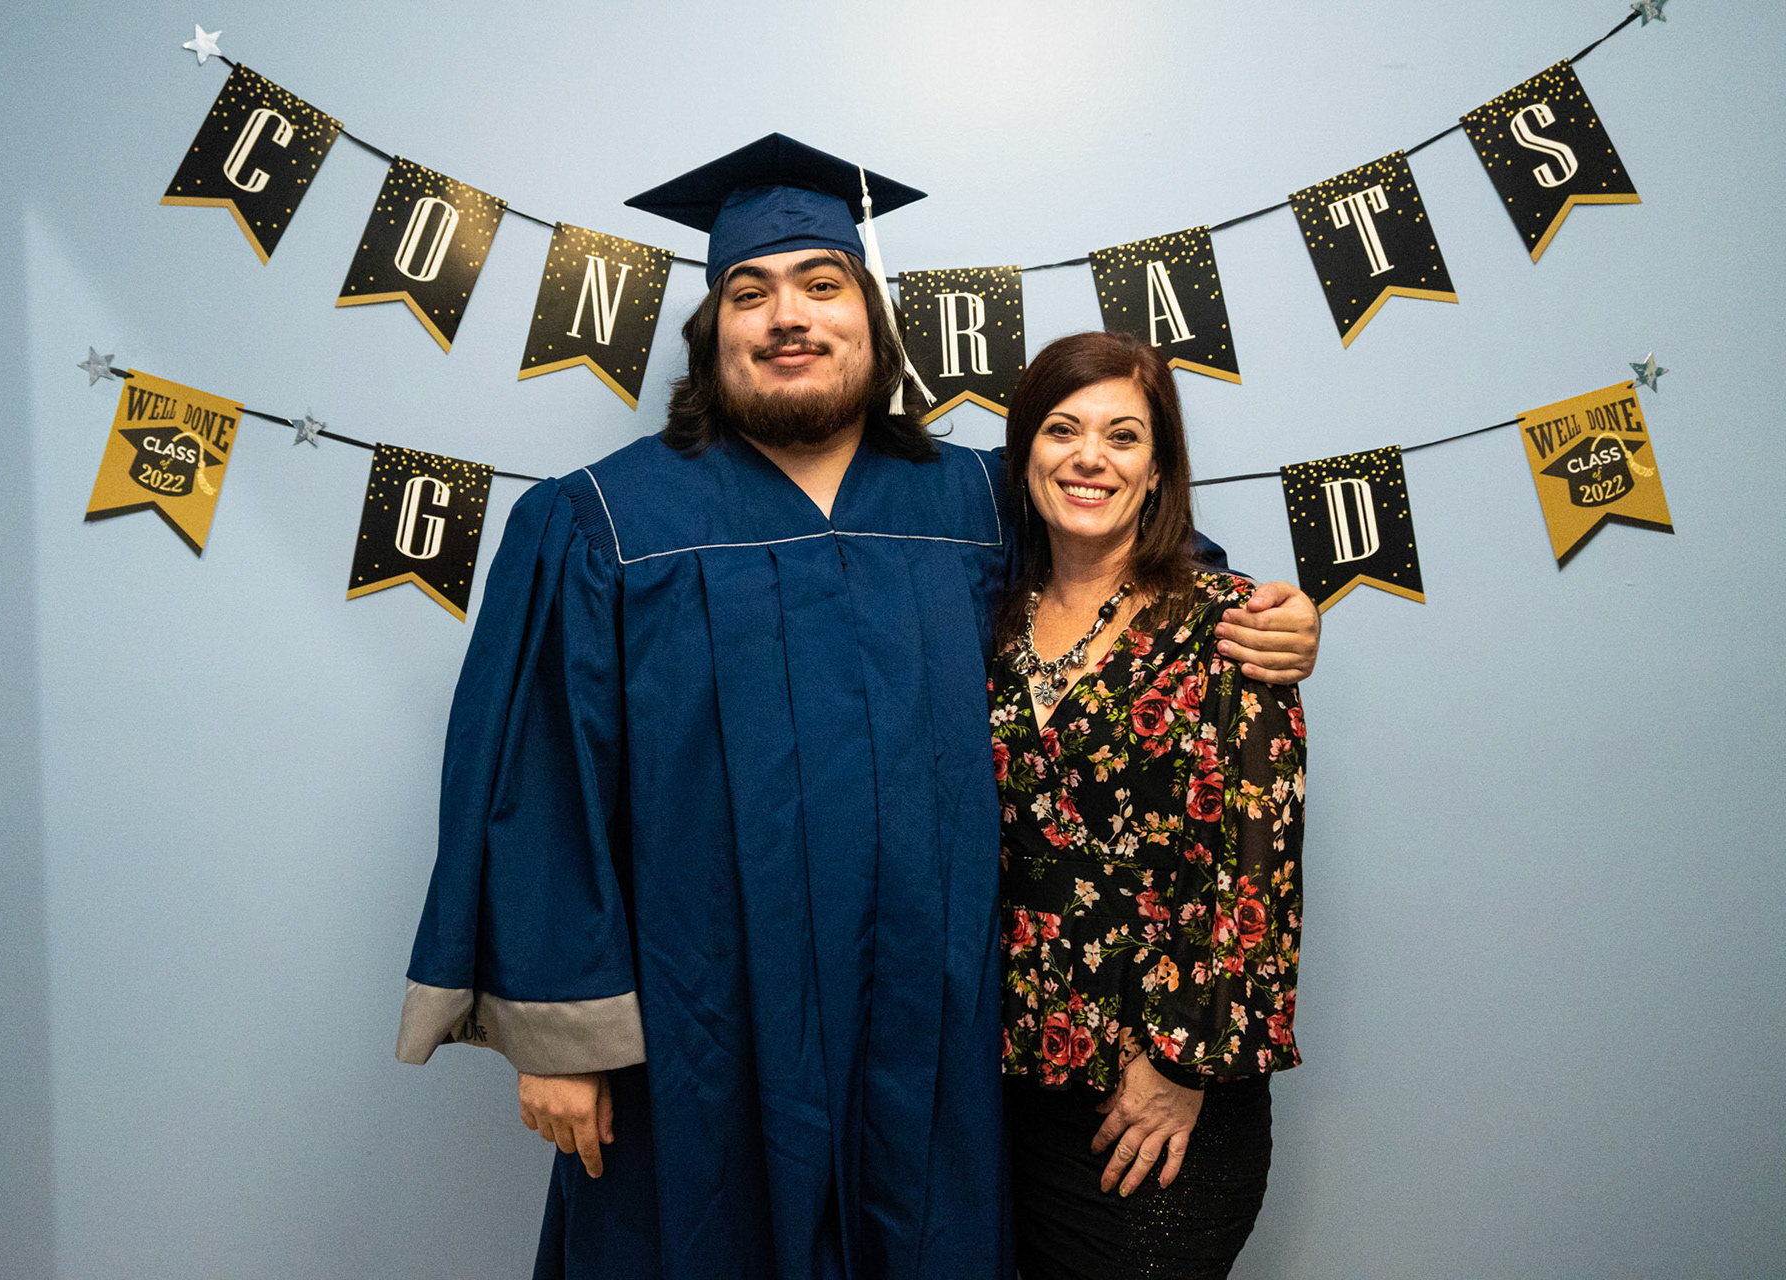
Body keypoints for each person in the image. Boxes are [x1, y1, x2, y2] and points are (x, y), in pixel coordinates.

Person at [395, 135, 1321, 1280]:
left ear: (872, 321)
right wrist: (560, 1032)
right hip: (704, 1032)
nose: (788, 316)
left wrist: (1265, 616)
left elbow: (1125, 562)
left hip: (928, 1035)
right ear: (714, 330)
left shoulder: (969, 498)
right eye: (751, 292)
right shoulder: (606, 522)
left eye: (821, 285)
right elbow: (543, 785)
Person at [991, 330, 1305, 1279]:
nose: (1089, 457)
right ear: (1024, 454)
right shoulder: (990, 623)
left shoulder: (1231, 623)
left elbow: (1259, 868)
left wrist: (1182, 1067)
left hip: (1155, 1094)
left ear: (1159, 468)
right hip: (1008, 1080)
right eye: (1062, 430)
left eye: (1122, 436)